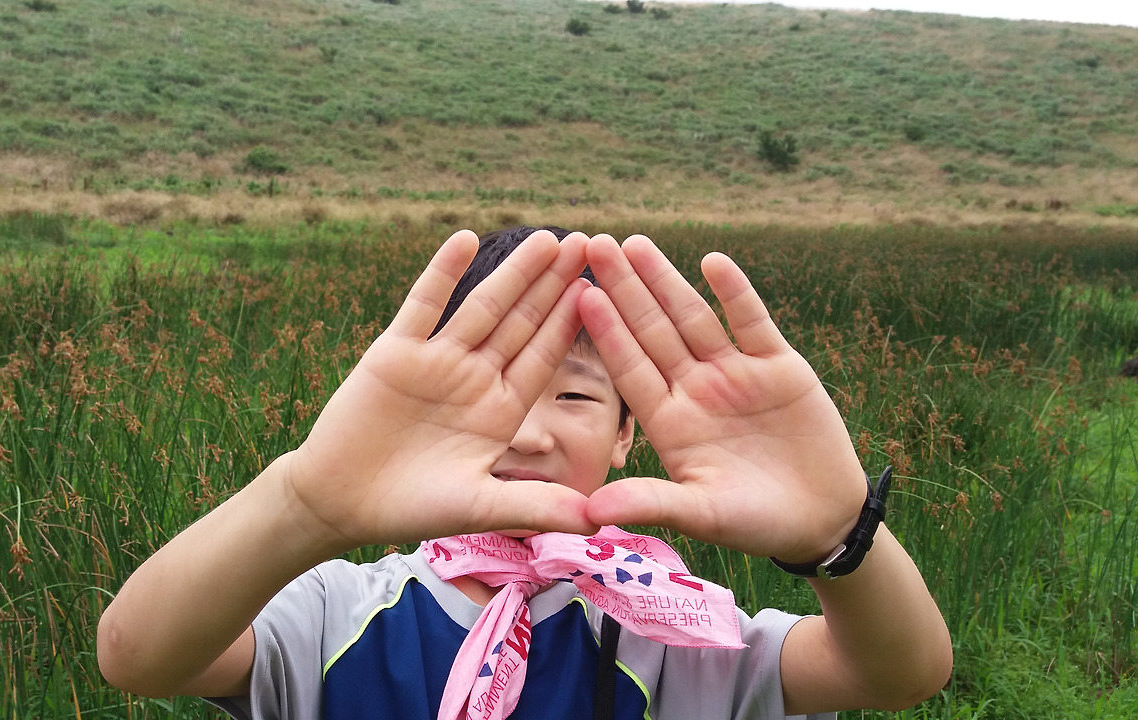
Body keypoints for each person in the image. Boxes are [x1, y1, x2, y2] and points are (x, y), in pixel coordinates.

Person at [96, 226, 953, 720]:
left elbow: (900, 675)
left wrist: (839, 533)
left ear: (627, 433)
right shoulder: (338, 614)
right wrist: (305, 503)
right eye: (493, 396)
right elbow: (139, 657)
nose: (532, 433)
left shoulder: (679, 631)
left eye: (575, 395)